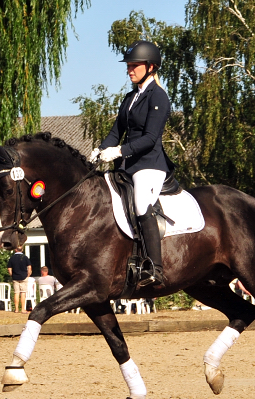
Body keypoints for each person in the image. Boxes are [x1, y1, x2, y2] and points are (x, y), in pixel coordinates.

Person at [88, 40, 175, 287]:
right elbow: (117, 131)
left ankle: (154, 268)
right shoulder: (130, 98)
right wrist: (101, 149)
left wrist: (119, 151)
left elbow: (150, 138)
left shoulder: (158, 96)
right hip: (127, 165)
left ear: (150, 66)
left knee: (140, 204)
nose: (129, 69)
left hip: (149, 164)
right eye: (128, 65)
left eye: (134, 65)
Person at [7, 246, 32, 313]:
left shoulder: (12, 258)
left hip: (15, 277)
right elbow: (29, 267)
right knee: (23, 293)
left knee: (16, 293)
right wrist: (28, 275)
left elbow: (9, 268)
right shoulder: (25, 257)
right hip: (23, 277)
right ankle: (23, 309)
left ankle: (16, 309)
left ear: (15, 250)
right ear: (22, 250)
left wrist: (12, 275)